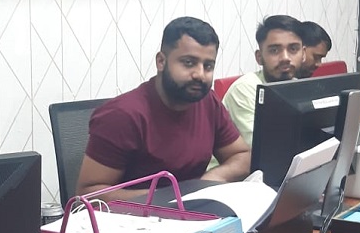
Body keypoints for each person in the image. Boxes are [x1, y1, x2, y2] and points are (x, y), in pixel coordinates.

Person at [76, 16, 250, 201]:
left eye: (208, 66)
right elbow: (88, 194)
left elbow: (242, 155)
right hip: (135, 215)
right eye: (188, 63)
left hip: (193, 210)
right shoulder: (122, 115)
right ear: (161, 62)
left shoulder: (208, 102)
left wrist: (208, 182)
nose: (200, 74)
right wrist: (174, 197)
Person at [221, 15, 306, 149]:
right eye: (274, 50)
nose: (285, 58)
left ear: (303, 54)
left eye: (293, 49)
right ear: (259, 57)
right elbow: (262, 147)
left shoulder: (298, 86)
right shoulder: (244, 89)